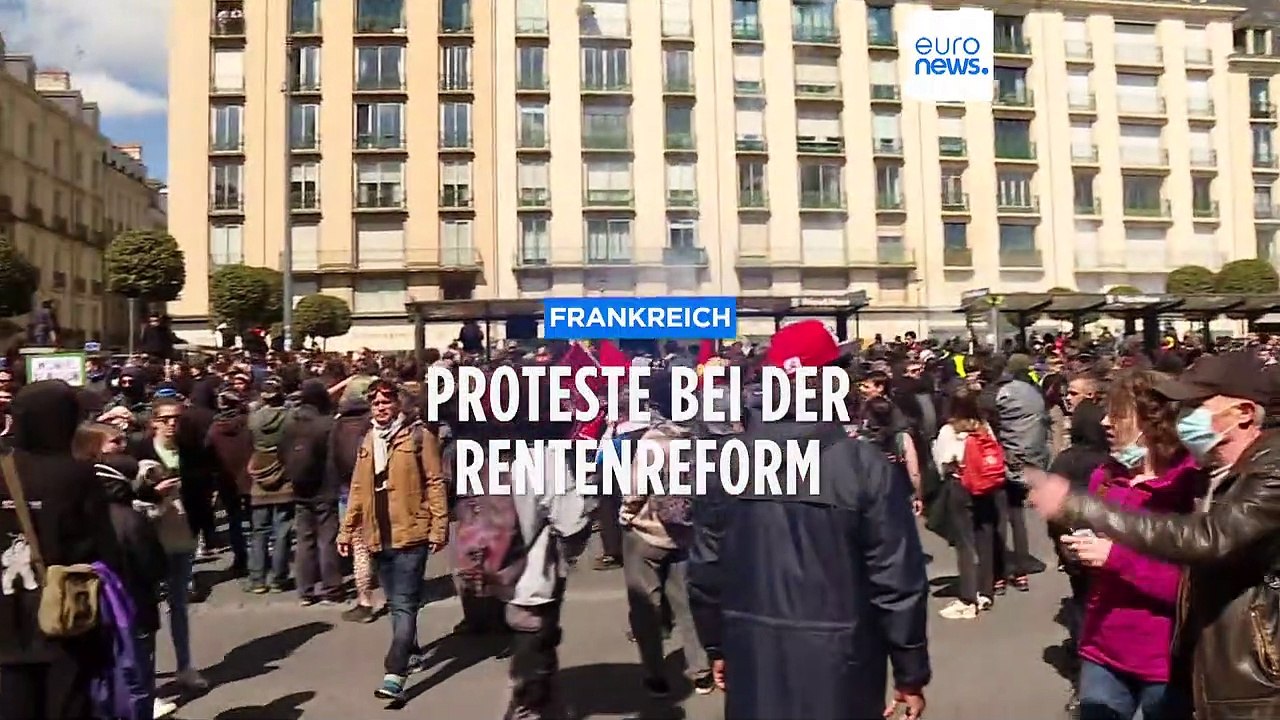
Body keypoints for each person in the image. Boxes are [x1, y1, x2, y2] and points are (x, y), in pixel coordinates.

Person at [687, 320, 930, 720]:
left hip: (754, 654)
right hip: (841, 663)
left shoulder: (727, 463)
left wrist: (716, 644)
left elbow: (705, 570)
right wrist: (910, 672)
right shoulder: (862, 464)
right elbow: (898, 579)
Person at [1030, 352, 1280, 720]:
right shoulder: (1214, 470)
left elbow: (1204, 542)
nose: (1186, 417)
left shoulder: (1262, 468)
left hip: (1218, 663)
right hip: (1111, 646)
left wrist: (1091, 518)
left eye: (1197, 405)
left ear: (1243, 412)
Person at [1073, 369, 1202, 720]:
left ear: (1152, 420)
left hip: (1164, 661)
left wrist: (1116, 558)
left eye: (1116, 413)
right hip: (1101, 649)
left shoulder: (1190, 486)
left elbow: (1190, 584)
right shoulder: (1106, 476)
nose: (1104, 421)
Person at [0, 381, 120, 720]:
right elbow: (106, 548)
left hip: (6, 622)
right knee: (68, 705)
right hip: (66, 617)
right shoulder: (78, 475)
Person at [337, 380, 449, 703]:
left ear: (399, 405)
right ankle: (411, 648)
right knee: (396, 600)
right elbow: (358, 488)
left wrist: (439, 526)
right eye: (375, 403)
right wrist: (347, 530)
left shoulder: (418, 437)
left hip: (411, 531)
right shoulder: (369, 439)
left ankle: (395, 671)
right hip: (377, 533)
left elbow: (435, 482)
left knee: (404, 602)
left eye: (386, 402)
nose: (381, 408)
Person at [73, 422, 173, 720]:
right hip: (132, 603)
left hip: (95, 607)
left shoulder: (81, 504)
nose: (123, 444)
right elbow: (153, 565)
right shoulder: (126, 517)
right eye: (114, 442)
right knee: (136, 671)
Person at [932, 385, 1004, 620]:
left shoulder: (949, 431)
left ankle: (968, 597)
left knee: (965, 543)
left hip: (960, 486)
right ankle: (985, 592)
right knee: (986, 538)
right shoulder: (983, 427)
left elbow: (942, 462)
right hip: (986, 487)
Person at [285, 380, 342, 606]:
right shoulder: (327, 424)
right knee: (326, 539)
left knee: (304, 539)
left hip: (300, 487)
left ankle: (305, 590)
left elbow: (283, 453)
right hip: (325, 486)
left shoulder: (290, 424)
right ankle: (331, 588)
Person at [246, 380, 295, 593]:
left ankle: (257, 579)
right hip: (283, 473)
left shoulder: (253, 418)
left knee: (259, 531)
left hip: (259, 472)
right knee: (282, 530)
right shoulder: (290, 419)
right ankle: (278, 577)